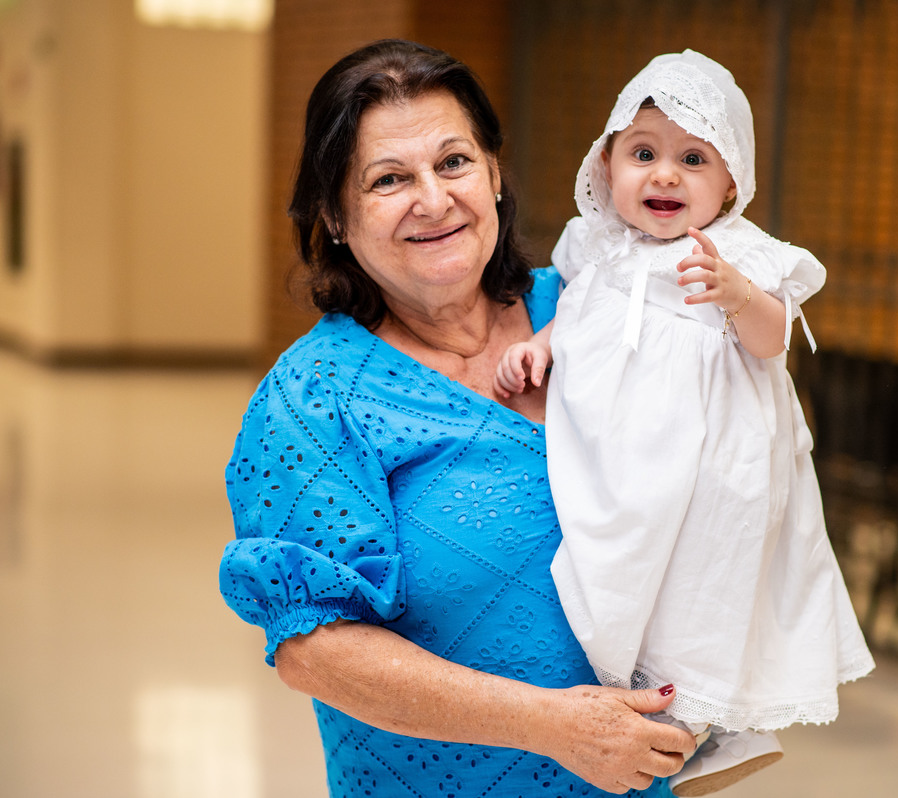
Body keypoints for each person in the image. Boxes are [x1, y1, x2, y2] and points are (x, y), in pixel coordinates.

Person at [218, 39, 697, 797]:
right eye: (388, 179)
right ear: (335, 218)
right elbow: (317, 647)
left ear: (495, 176)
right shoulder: (314, 397)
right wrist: (553, 726)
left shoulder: (597, 307)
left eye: (453, 163)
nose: (434, 201)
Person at [494, 50, 875, 796]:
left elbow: (773, 344)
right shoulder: (595, 249)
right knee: (626, 571)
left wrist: (738, 296)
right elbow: (579, 319)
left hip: (712, 466)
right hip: (622, 458)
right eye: (643, 154)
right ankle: (663, 706)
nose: (664, 175)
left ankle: (703, 725)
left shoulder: (736, 252)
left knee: (704, 581)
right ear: (607, 167)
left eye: (692, 158)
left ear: (731, 181)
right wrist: (538, 348)